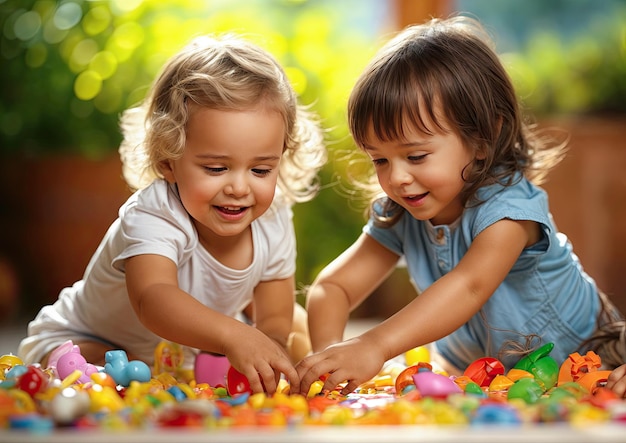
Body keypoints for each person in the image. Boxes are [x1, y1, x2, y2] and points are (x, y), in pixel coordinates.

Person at [293, 15, 626, 397]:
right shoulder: (401, 212)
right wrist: (330, 358)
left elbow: (469, 286)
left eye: (416, 156)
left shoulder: (510, 209)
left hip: (593, 359)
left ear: (484, 139)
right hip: (498, 382)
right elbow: (333, 287)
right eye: (380, 160)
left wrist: (374, 345)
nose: (397, 178)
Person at [18, 33, 327, 394]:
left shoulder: (273, 217)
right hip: (86, 336)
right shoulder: (154, 214)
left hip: (180, 355)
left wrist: (268, 347)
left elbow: (274, 315)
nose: (240, 188)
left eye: (260, 170)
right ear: (168, 160)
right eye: (216, 168)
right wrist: (232, 335)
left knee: (290, 330)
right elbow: (154, 299)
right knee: (96, 367)